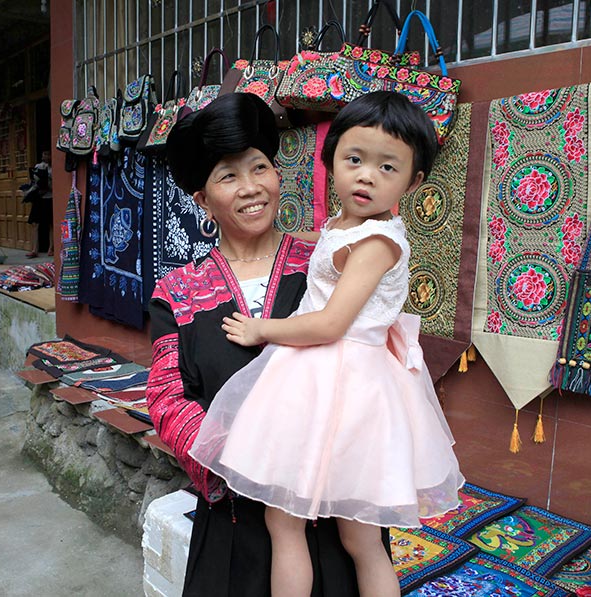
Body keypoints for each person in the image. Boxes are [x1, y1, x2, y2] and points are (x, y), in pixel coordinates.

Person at [188, 91, 464, 597]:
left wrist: (261, 328)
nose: (366, 176)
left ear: (414, 181)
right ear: (330, 159)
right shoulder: (344, 226)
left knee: (339, 535)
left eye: (388, 167)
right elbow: (328, 251)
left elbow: (331, 323)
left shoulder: (378, 242)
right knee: (303, 528)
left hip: (341, 383)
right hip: (325, 383)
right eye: (354, 159)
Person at [146, 93, 391, 597]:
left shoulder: (329, 264)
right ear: (202, 200)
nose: (251, 188)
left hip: (335, 512)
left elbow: (374, 355)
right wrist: (249, 455)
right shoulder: (179, 292)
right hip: (238, 525)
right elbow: (166, 398)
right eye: (228, 176)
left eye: (260, 167)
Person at [25, 151, 53, 258]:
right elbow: (33, 180)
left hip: (50, 197)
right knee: (35, 223)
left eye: (47, 154)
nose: (45, 156)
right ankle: (34, 249)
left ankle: (51, 248)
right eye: (44, 154)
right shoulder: (38, 166)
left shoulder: (53, 168)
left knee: (51, 224)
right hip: (39, 197)